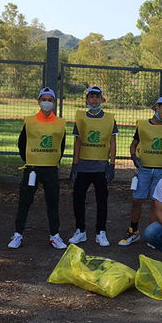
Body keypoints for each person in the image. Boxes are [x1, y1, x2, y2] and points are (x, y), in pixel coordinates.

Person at [7, 87, 67, 250]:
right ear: (39, 101)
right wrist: (29, 159)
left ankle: (54, 235)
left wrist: (52, 160)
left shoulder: (61, 123)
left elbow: (62, 145)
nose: (46, 102)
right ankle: (18, 234)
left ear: (54, 102)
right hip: (32, 168)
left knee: (53, 203)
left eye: (50, 99)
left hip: (51, 169)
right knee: (25, 202)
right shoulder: (30, 121)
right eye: (44, 99)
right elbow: (21, 143)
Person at [118, 96, 162, 246]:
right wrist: (134, 157)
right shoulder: (143, 125)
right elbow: (134, 145)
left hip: (161, 171)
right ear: (156, 107)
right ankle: (133, 231)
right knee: (137, 200)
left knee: (155, 203)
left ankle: (152, 235)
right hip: (144, 169)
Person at [68, 86, 118, 246]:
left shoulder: (109, 118)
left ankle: (100, 232)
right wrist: (74, 165)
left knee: (101, 199)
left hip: (101, 166)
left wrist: (112, 164)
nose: (94, 100)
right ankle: (80, 230)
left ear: (102, 99)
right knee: (78, 198)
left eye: (97, 97)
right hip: (83, 165)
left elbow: (112, 142)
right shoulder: (80, 117)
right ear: (87, 99)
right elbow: (77, 142)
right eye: (91, 97)